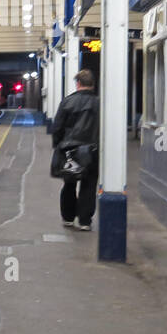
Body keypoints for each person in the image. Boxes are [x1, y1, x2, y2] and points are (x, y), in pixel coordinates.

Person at [51, 68, 100, 231]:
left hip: (70, 150)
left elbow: (57, 127)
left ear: (78, 83)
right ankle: (85, 221)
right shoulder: (99, 103)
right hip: (92, 150)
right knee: (89, 185)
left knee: (69, 183)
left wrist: (58, 145)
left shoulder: (67, 102)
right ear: (92, 84)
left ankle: (68, 217)